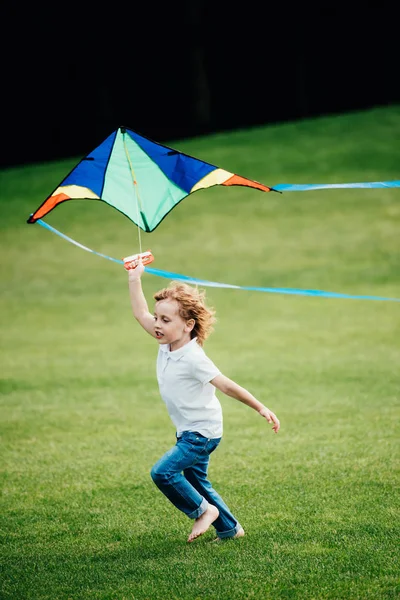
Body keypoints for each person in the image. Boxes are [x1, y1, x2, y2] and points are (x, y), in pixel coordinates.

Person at [128, 259, 280, 543]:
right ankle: (230, 529)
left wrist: (260, 407)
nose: (157, 325)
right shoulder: (166, 341)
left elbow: (225, 385)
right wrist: (135, 278)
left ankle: (202, 511)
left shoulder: (194, 357)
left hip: (201, 433)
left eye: (165, 320)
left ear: (188, 325)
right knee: (197, 480)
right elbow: (140, 313)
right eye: (157, 318)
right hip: (188, 429)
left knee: (163, 473)